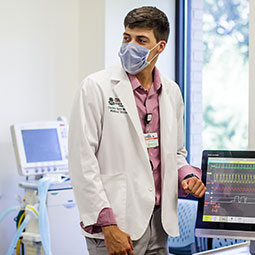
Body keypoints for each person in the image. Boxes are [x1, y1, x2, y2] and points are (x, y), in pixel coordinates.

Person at [68, 6, 206, 255]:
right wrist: (108, 226)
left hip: (159, 223)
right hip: (116, 225)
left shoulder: (171, 92)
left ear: (160, 47)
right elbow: (82, 161)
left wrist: (186, 175)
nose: (130, 46)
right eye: (126, 37)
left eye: (141, 40)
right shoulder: (96, 87)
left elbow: (176, 152)